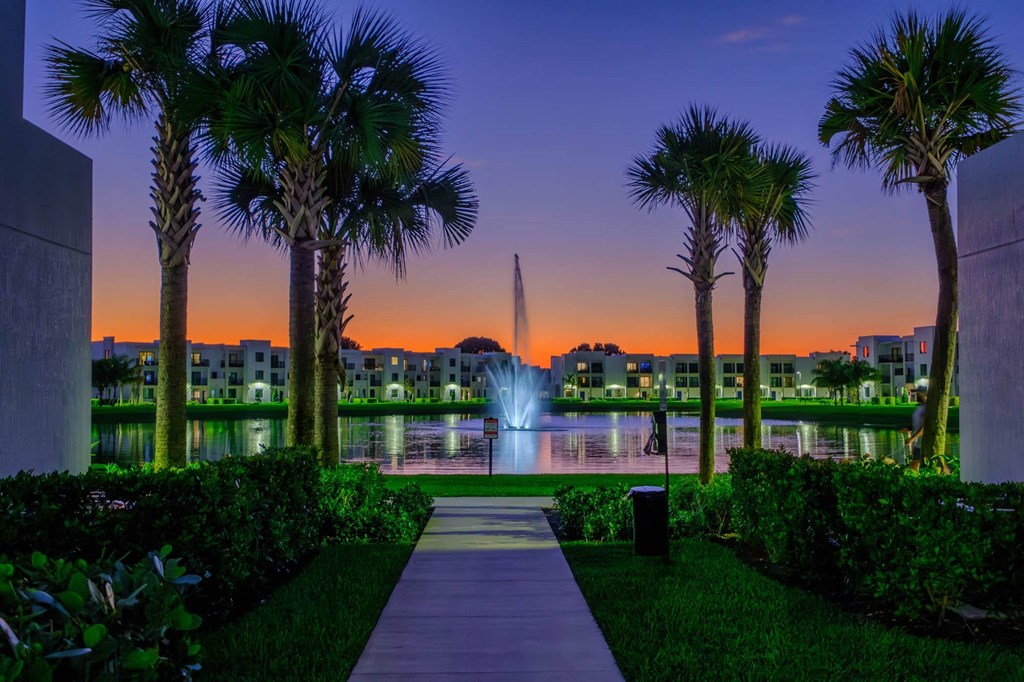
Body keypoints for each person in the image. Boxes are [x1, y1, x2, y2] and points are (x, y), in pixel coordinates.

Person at [904, 387, 928, 471]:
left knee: (914, 466)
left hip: (924, 442)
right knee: (916, 465)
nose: (917, 395)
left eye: (919, 393)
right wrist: (909, 428)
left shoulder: (927, 408)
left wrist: (911, 439)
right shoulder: (920, 408)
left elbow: (925, 426)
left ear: (924, 394)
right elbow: (918, 423)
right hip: (918, 442)